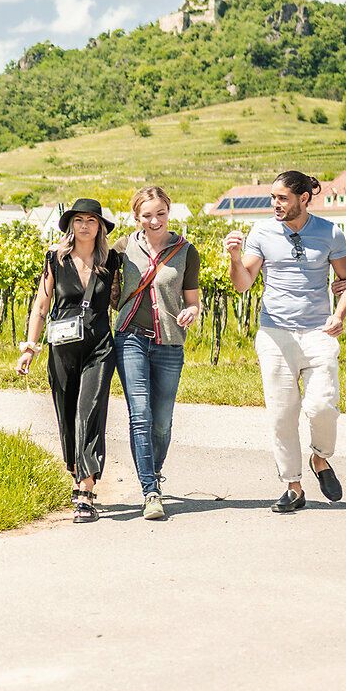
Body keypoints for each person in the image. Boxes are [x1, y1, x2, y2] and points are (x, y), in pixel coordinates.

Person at [224, 170, 346, 513]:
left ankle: (320, 458)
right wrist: (235, 259)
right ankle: (293, 486)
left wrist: (339, 315)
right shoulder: (263, 231)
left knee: (322, 405)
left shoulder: (329, 232)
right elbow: (243, 284)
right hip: (275, 334)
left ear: (303, 198)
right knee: (283, 414)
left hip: (318, 332)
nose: (275, 205)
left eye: (282, 198)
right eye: (273, 198)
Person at [18, 198, 124, 524]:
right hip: (61, 349)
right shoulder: (55, 259)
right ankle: (76, 468)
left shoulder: (112, 261)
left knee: (88, 413)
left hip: (99, 348)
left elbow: (121, 299)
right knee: (66, 414)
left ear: (100, 227)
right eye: (78, 219)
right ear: (70, 225)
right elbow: (41, 304)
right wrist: (30, 346)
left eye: (91, 220)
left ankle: (86, 489)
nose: (84, 225)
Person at [113, 186, 202, 521]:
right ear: (137, 217)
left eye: (160, 213)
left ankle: (154, 471)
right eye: (147, 215)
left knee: (162, 422)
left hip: (169, 342)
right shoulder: (122, 248)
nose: (154, 221)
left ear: (169, 211)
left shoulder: (186, 251)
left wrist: (192, 312)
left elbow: (192, 300)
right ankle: (150, 490)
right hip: (130, 338)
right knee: (141, 414)